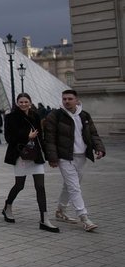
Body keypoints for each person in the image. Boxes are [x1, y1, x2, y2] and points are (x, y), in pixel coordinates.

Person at [43, 89, 106, 231]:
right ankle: (84, 218)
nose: (66, 101)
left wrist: (99, 148)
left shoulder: (84, 115)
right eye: (64, 99)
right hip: (64, 157)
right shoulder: (55, 115)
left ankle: (60, 210)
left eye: (70, 99)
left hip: (81, 156)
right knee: (74, 187)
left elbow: (93, 134)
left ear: (77, 100)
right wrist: (52, 158)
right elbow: (50, 138)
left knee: (69, 185)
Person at [2, 93, 59, 232]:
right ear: (17, 103)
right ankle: (7, 206)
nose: (23, 104)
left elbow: (41, 137)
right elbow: (9, 138)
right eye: (20, 102)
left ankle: (44, 219)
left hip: (36, 155)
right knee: (19, 185)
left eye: (26, 101)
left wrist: (49, 155)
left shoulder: (35, 116)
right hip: (21, 155)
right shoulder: (10, 117)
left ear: (30, 102)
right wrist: (26, 136)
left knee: (40, 186)